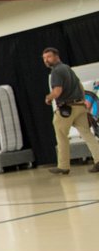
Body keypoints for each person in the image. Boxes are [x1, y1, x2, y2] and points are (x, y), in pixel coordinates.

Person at [42, 47, 99, 175]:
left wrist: (48, 98)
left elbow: (57, 91)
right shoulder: (67, 68)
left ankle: (63, 166)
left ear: (56, 56)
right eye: (44, 58)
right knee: (87, 134)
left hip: (66, 109)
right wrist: (84, 104)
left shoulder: (56, 71)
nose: (46, 60)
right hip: (80, 106)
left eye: (49, 57)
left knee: (61, 136)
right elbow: (80, 86)